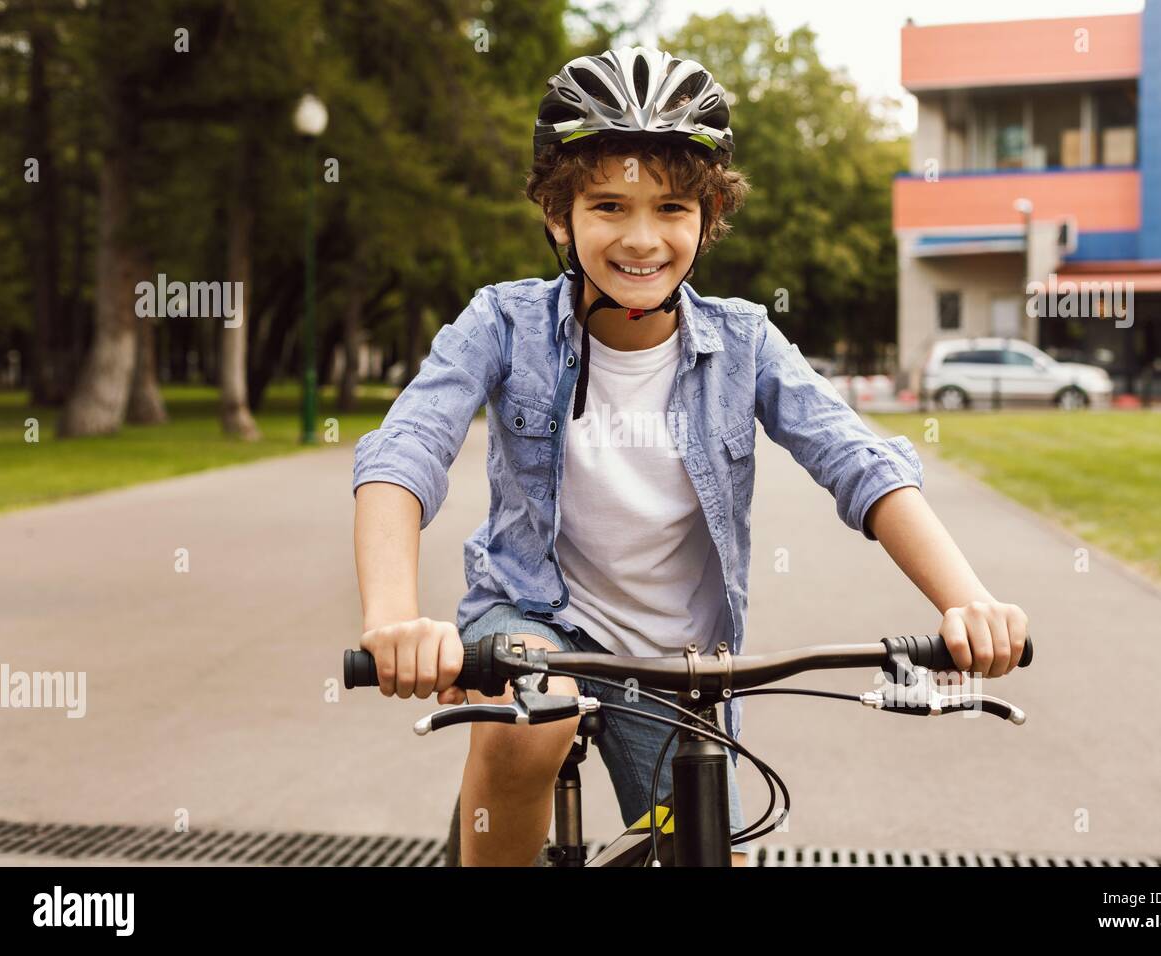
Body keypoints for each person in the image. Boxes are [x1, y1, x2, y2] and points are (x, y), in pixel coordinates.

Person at [352, 46, 1029, 868]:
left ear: (708, 216)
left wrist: (968, 604)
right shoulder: (504, 323)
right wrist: (391, 617)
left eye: (671, 208)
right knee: (535, 717)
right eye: (608, 205)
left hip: (675, 665)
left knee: (711, 854)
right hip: (528, 622)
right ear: (558, 216)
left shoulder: (745, 341)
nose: (642, 239)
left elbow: (859, 462)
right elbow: (406, 450)